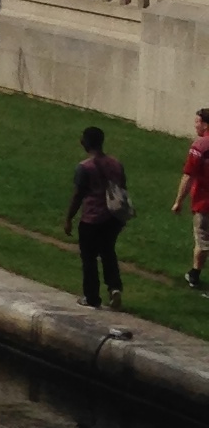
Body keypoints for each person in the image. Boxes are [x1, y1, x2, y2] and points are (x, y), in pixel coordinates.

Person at [64, 123, 130, 310]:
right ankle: (115, 287)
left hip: (92, 218)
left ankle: (91, 296)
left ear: (85, 143)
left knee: (89, 258)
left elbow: (78, 195)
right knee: (108, 252)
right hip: (113, 218)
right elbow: (123, 188)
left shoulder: (84, 167)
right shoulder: (116, 164)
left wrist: (69, 218)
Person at [174, 108, 209, 292]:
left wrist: (179, 201)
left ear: (205, 124)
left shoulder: (200, 146)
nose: (195, 125)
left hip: (204, 202)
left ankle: (195, 275)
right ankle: (194, 273)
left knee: (202, 241)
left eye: (197, 121)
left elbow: (188, 175)